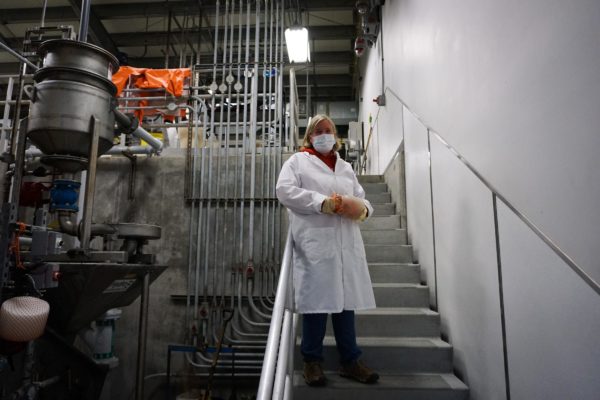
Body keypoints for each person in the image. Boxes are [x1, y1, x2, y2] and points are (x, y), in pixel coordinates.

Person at [276, 114, 379, 386]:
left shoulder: (345, 166)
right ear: (309, 136)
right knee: (316, 306)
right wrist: (321, 202)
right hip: (316, 246)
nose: (324, 134)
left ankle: (350, 361)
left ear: (336, 135)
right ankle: (312, 362)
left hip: (345, 243)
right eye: (318, 131)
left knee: (346, 305)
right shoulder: (297, 162)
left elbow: (362, 198)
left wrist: (363, 209)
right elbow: (284, 191)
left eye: (329, 130)